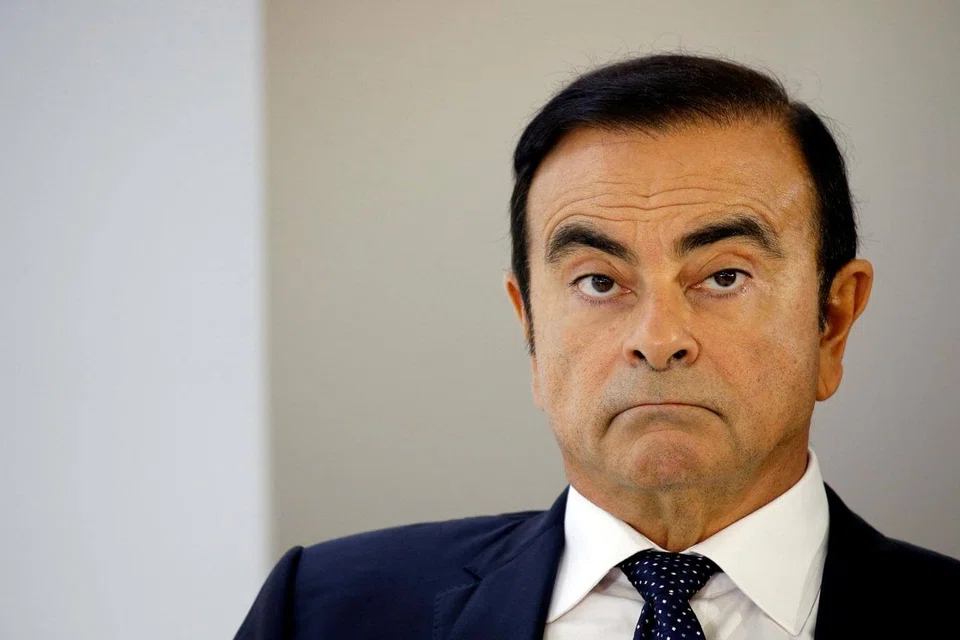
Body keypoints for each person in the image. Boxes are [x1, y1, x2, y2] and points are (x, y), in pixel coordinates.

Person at [235, 54, 960, 639]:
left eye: (724, 276)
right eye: (599, 282)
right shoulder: (322, 614)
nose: (658, 341)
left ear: (832, 320)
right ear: (529, 325)